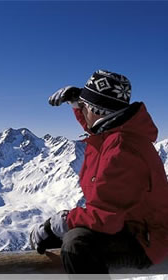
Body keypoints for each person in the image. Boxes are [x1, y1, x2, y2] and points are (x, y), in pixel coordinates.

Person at [30, 70, 168, 273]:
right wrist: (78, 105)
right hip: (133, 225)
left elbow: (106, 217)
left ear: (98, 110)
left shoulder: (122, 149)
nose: (83, 109)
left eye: (86, 106)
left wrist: (57, 224)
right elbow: (97, 127)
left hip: (145, 239)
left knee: (76, 245)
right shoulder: (118, 135)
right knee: (72, 238)